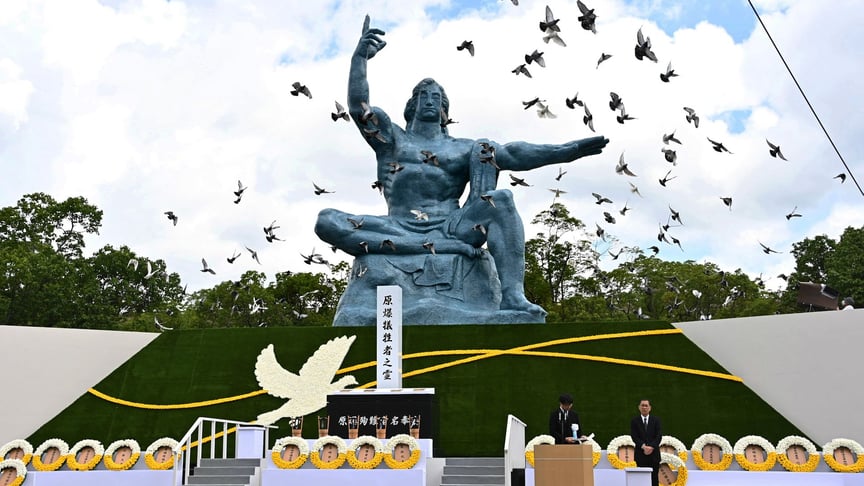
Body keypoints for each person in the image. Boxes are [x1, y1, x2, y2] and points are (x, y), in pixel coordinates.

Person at [314, 15, 609, 315]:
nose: (430, 101)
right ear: (412, 105)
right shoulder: (393, 140)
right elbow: (359, 107)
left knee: (501, 200)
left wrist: (566, 151)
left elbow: (513, 154)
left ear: (445, 111)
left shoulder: (464, 148)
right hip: (398, 226)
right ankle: (422, 248)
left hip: (451, 228)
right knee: (326, 220)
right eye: (423, 96)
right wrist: (360, 59)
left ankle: (512, 296)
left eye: (437, 98)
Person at [630, 399, 661, 486]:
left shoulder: (656, 420)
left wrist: (651, 447)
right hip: (640, 455)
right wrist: (643, 447)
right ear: (639, 407)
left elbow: (658, 436)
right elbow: (634, 436)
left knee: (654, 479)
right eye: (642, 405)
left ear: (650, 408)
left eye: (646, 405)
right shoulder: (634, 421)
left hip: (654, 455)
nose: (644, 407)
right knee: (642, 480)